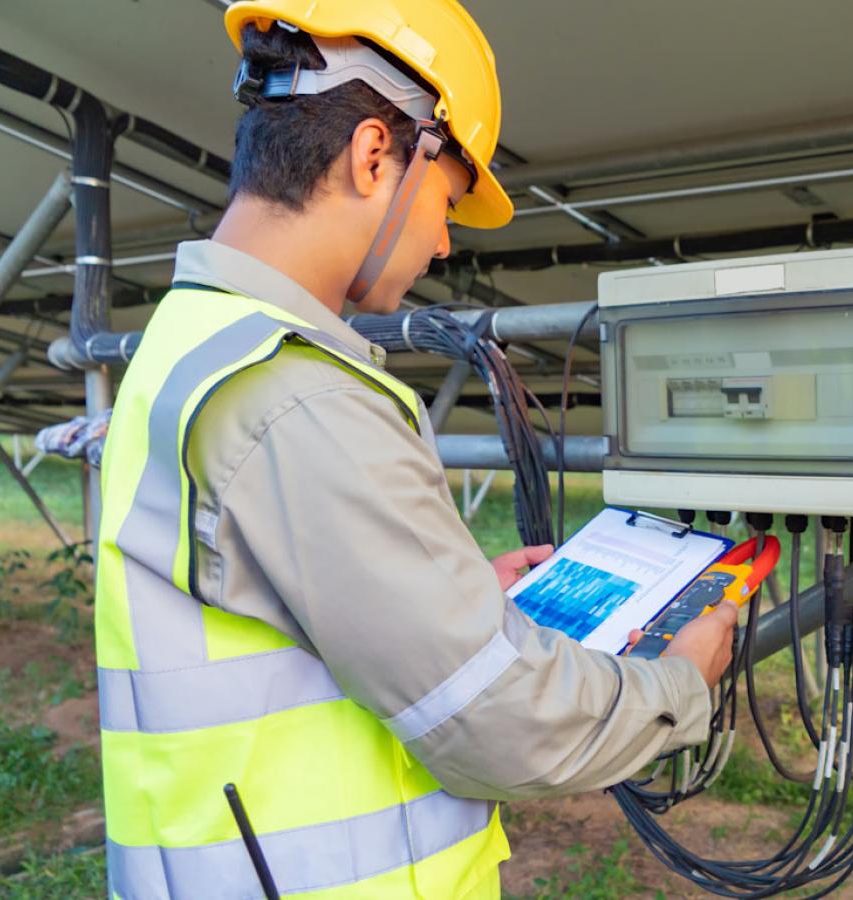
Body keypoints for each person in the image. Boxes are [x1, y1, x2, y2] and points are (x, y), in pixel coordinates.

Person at [92, 2, 736, 896]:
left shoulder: (194, 340)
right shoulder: (298, 393)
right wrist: (681, 681)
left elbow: (292, 604)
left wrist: (453, 598)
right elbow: (499, 723)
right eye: (445, 202)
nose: (441, 241)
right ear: (371, 155)